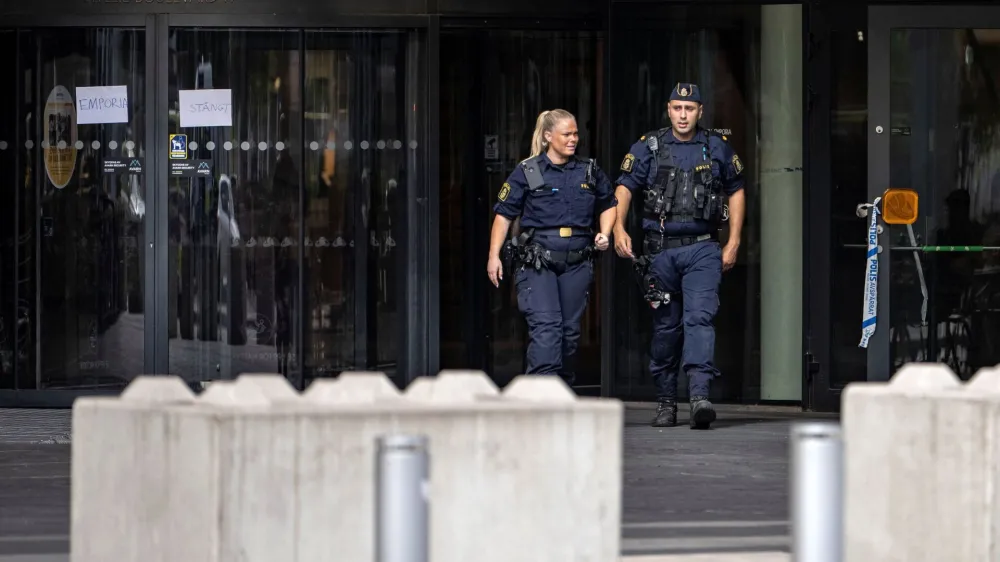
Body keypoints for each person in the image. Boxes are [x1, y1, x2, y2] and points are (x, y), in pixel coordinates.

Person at [612, 83, 746, 429]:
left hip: (703, 247)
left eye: (689, 109)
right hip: (660, 250)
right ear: (668, 110)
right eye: (677, 108)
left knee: (699, 320)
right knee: (666, 328)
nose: (683, 115)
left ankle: (699, 398)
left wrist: (733, 242)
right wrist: (618, 228)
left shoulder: (715, 146)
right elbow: (624, 188)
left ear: (700, 111)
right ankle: (666, 402)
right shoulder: (649, 147)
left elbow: (736, 190)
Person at [486, 109, 618, 386]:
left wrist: (605, 233)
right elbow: (504, 215)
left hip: (577, 262)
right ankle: (541, 397)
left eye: (575, 134)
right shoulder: (531, 171)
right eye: (566, 134)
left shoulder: (588, 170)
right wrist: (493, 255)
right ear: (548, 136)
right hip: (538, 262)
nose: (573, 139)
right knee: (547, 329)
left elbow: (608, 204)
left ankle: (562, 391)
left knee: (569, 334)